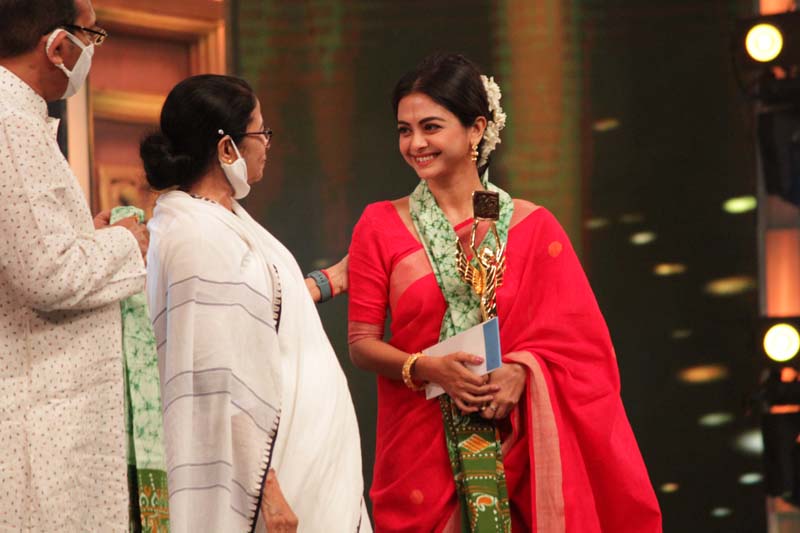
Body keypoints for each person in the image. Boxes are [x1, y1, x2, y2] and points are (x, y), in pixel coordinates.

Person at [348, 53, 662, 532]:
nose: (415, 144)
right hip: (418, 450)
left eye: (431, 127)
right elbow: (361, 344)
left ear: (476, 129)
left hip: (516, 448)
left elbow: (584, 350)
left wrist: (523, 371)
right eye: (404, 130)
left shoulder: (532, 228)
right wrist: (427, 367)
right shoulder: (380, 224)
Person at [141, 74, 369, 533]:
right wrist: (267, 490)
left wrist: (329, 281)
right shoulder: (195, 236)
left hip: (308, 465)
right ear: (227, 148)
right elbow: (217, 379)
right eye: (261, 132)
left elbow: (260, 310)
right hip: (271, 482)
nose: (267, 144)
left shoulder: (223, 219)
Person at [0, 0, 150, 530]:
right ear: (57, 46)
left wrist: (93, 238)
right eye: (92, 35)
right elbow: (47, 274)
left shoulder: (20, 119)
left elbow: (30, 251)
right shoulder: (9, 125)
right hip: (39, 411)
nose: (93, 49)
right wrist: (127, 242)